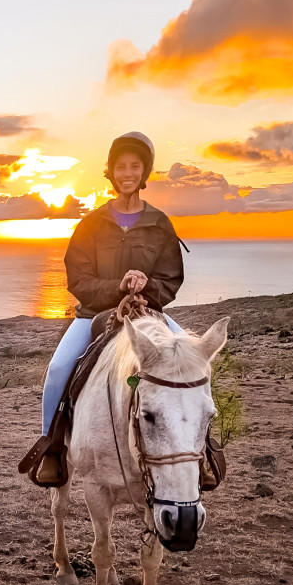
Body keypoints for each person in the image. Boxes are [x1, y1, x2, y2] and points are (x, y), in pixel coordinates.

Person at [36, 131, 185, 482]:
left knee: (194, 363)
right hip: (94, 315)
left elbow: (171, 278)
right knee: (58, 370)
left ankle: (202, 450)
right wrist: (116, 286)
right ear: (111, 171)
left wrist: (147, 289)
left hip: (149, 314)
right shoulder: (91, 223)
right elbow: (79, 279)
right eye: (121, 166)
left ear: (145, 172)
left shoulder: (160, 223)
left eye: (135, 166)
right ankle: (52, 449)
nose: (128, 173)